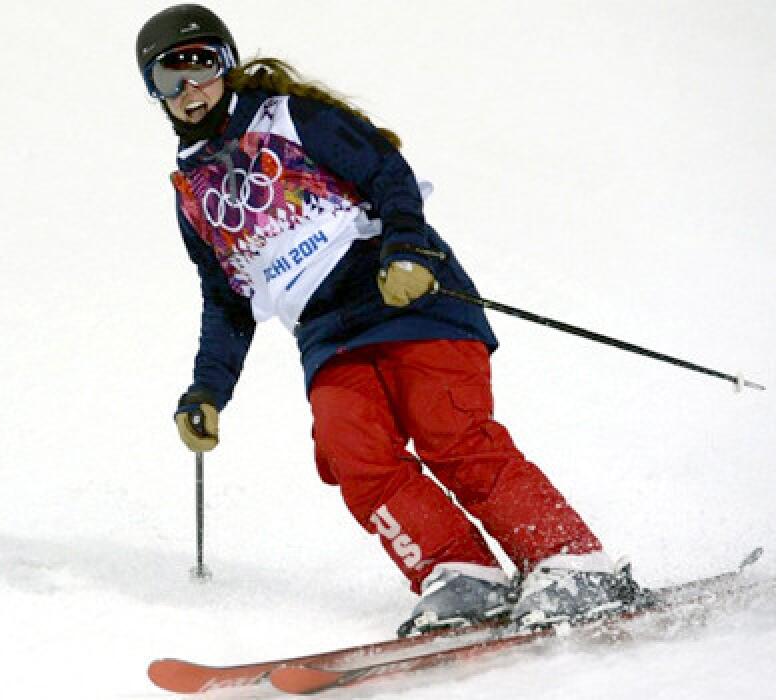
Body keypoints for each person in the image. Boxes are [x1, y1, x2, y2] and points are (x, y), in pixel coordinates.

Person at [137, 4, 639, 634]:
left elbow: (385, 172)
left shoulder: (291, 116)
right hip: (327, 337)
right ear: (151, 90)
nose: (190, 90)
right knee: (352, 452)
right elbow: (228, 301)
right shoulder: (193, 195)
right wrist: (208, 390)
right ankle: (461, 575)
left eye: (202, 66)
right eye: (168, 78)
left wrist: (408, 250)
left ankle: (571, 562)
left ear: (227, 63)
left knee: (449, 434)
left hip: (404, 300)